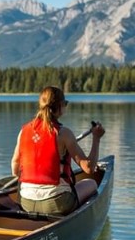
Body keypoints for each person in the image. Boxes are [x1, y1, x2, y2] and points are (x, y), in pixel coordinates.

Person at [11, 86, 105, 215]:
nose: (65, 106)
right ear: (60, 106)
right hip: (56, 203)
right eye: (65, 104)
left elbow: (15, 170)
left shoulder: (23, 131)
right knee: (92, 183)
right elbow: (89, 168)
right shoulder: (64, 133)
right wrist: (96, 138)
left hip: (26, 203)